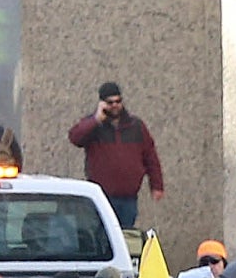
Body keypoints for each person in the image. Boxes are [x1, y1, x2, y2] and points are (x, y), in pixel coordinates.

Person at [65, 81, 165, 228]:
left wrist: (157, 185)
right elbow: (75, 137)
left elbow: (150, 156)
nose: (115, 105)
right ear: (102, 103)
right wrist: (96, 119)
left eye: (118, 101)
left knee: (125, 237)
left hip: (128, 199)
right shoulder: (93, 126)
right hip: (102, 197)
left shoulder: (136, 126)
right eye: (110, 102)